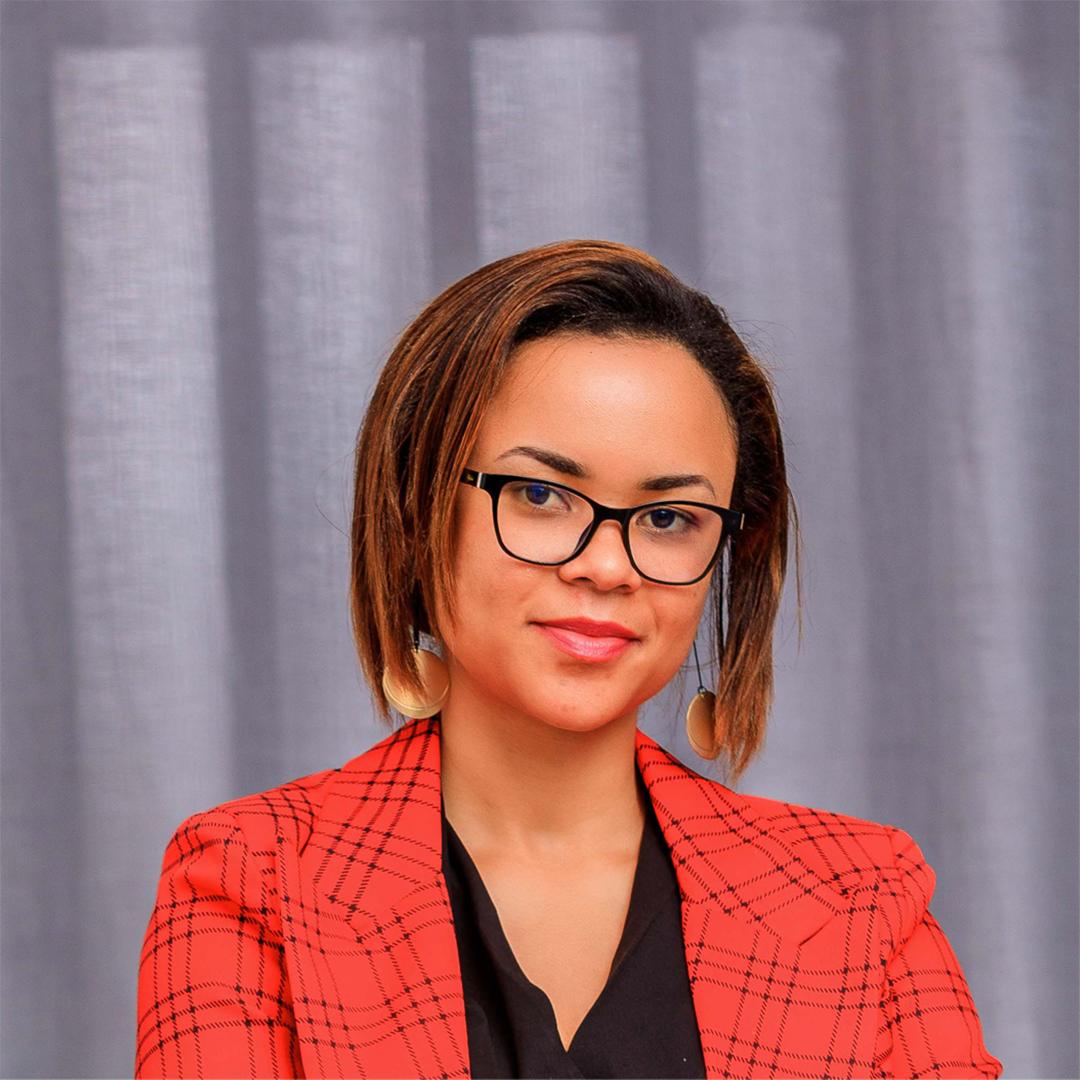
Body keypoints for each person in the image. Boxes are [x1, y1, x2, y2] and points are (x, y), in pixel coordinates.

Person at [134, 239, 1002, 1079]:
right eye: (542, 495)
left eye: (670, 518)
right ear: (415, 508)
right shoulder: (252, 881)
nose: (607, 565)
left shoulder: (861, 896)